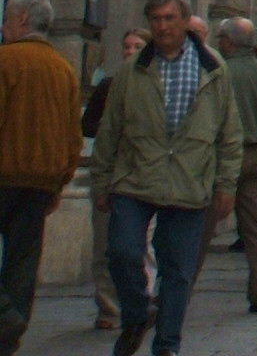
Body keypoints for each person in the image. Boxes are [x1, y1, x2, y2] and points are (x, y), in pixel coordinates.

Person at [90, 0, 242, 356]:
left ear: (184, 21)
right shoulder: (133, 70)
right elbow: (110, 129)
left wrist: (226, 184)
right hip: (135, 176)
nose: (161, 26)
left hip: (190, 179)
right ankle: (137, 313)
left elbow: (229, 132)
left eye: (169, 18)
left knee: (178, 269)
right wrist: (101, 180)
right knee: (122, 252)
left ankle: (167, 344)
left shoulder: (213, 69)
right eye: (155, 19)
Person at [0, 0, 82, 356]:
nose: (3, 27)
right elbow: (72, 134)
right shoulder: (62, 68)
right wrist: (60, 180)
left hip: (4, 173)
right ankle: (10, 332)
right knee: (23, 259)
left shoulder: (5, 61)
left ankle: (5, 316)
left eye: (5, 20)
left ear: (20, 21)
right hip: (41, 181)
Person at [207, 18, 257, 312]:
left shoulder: (220, 72)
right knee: (255, 225)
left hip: (223, 154)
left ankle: (181, 286)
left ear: (229, 41)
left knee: (203, 223)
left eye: (220, 38)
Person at [85, 27, 150, 332]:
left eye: (136, 45)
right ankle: (108, 308)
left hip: (143, 173)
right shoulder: (109, 85)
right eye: (126, 46)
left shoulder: (155, 84)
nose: (129, 51)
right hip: (111, 171)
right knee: (103, 245)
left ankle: (140, 302)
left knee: (140, 245)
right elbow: (87, 125)